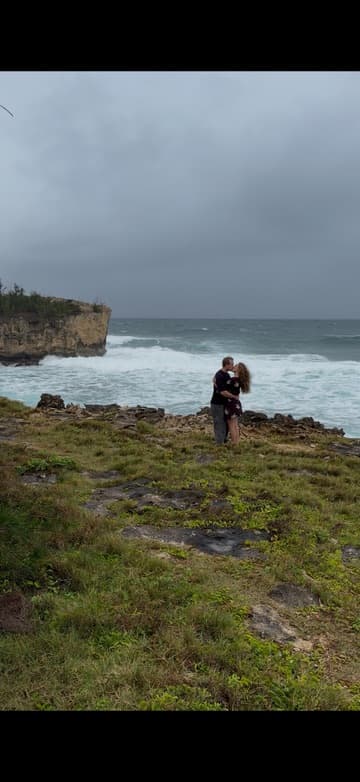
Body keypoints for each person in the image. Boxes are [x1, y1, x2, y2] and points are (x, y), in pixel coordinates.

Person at [210, 356, 236, 444]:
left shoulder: (226, 375)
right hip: (217, 404)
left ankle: (224, 440)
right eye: (232, 364)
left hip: (224, 403)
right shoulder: (220, 375)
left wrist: (235, 371)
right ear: (227, 364)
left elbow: (230, 386)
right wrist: (233, 397)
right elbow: (223, 392)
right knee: (219, 423)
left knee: (225, 423)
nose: (233, 365)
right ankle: (219, 443)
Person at [224, 362, 251, 445]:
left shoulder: (232, 380)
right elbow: (236, 394)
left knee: (231, 425)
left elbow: (223, 389)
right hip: (236, 404)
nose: (233, 366)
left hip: (230, 404)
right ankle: (237, 443)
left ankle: (234, 443)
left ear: (238, 369)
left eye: (235, 366)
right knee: (235, 425)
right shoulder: (239, 380)